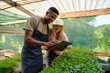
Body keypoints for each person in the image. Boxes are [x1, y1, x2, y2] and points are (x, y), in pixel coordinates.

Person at [21, 7, 61, 73]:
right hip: (28, 54)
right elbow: (27, 39)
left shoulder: (47, 29)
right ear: (47, 13)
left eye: (54, 19)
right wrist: (44, 43)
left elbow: (48, 42)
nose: (52, 20)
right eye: (52, 17)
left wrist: (55, 43)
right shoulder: (34, 20)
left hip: (38, 55)